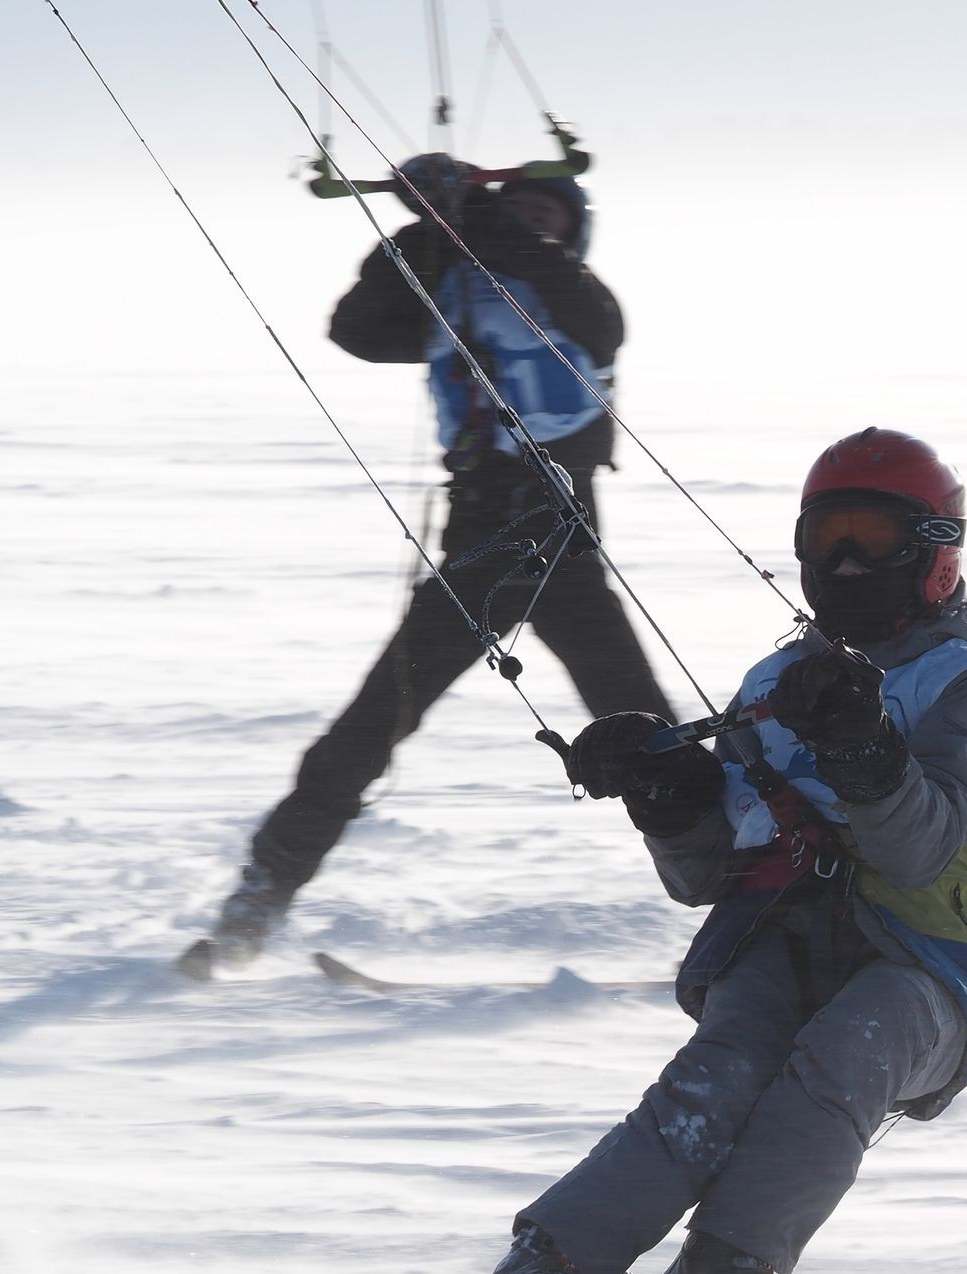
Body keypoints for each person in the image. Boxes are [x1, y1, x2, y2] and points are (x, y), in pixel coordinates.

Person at [435, 428, 967, 1274]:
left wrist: (863, 748)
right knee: (717, 1076)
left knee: (843, 1055)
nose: (842, 562)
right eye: (823, 537)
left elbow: (919, 850)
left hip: (925, 968)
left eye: (870, 540)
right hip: (782, 939)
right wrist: (667, 796)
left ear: (933, 550)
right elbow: (706, 877)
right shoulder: (774, 682)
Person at [195, 154, 674, 968]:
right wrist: (425, 225)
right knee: (366, 729)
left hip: (558, 533)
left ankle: (770, 893)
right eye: (512, 206)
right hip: (480, 538)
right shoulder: (453, 296)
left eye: (545, 213)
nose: (526, 220)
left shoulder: (580, 299)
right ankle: (259, 901)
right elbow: (358, 328)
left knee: (653, 739)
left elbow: (558, 287)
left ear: (572, 232)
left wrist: (471, 212)